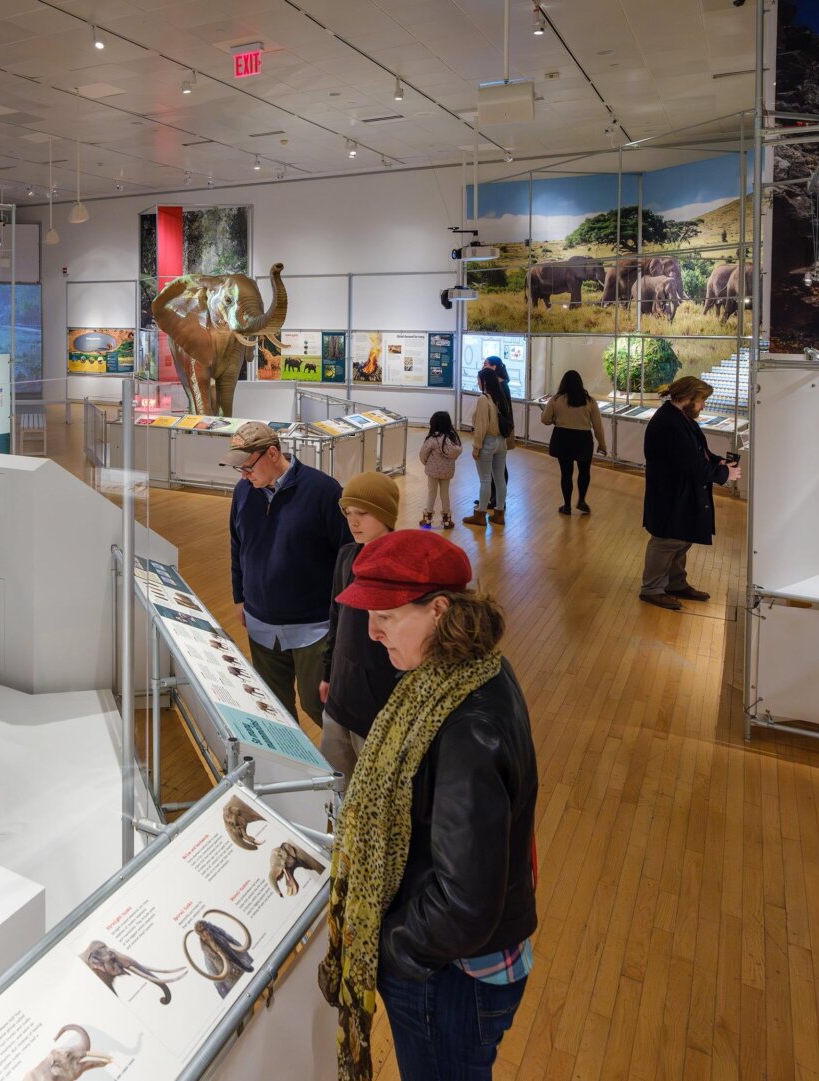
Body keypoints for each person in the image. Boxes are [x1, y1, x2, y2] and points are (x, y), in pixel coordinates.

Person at [318, 530, 538, 1081]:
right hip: (459, 963)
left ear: (439, 610)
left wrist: (391, 949)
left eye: (387, 617)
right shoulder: (468, 672)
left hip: (455, 978)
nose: (371, 632)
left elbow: (465, 905)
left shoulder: (466, 726)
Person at [224, 421, 352, 726]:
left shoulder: (323, 490)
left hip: (314, 628)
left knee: (318, 706)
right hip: (260, 627)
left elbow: (346, 557)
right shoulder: (243, 492)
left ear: (271, 453)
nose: (243, 474)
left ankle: (344, 771)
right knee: (274, 711)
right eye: (238, 469)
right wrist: (240, 597)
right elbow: (237, 545)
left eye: (247, 467)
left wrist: (343, 617)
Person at [318, 472, 404, 785]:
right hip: (340, 696)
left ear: (385, 514)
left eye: (363, 514)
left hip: (377, 706)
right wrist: (329, 673)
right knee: (337, 786)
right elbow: (336, 616)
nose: (354, 523)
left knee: (374, 791)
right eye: (348, 514)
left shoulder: (401, 568)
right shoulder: (345, 556)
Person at [640, 375, 739, 610]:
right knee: (667, 540)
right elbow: (692, 464)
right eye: (701, 400)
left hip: (679, 493)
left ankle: (675, 583)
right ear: (685, 398)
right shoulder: (670, 424)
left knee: (680, 538)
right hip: (670, 495)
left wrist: (719, 463)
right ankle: (651, 588)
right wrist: (724, 474)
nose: (703, 405)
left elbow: (699, 452)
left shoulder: (679, 418)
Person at [541, 369, 606, 516]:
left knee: (566, 473)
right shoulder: (589, 401)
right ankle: (582, 500)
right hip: (583, 439)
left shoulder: (557, 399)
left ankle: (567, 505)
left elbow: (545, 420)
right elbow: (597, 425)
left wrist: (555, 419)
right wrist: (602, 444)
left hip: (563, 438)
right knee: (584, 472)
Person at [463, 366, 512, 528]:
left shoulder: (484, 399)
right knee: (499, 479)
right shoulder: (500, 397)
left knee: (485, 479)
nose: (477, 383)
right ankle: (499, 514)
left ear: (484, 381)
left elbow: (481, 426)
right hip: (501, 443)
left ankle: (480, 515)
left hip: (488, 443)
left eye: (478, 380)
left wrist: (476, 448)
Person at [417, 411, 462, 531]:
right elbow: (456, 452)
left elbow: (423, 453)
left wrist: (426, 463)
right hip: (447, 472)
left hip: (432, 472)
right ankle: (447, 520)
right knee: (445, 494)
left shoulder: (432, 439)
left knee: (432, 493)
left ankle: (427, 519)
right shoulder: (453, 438)